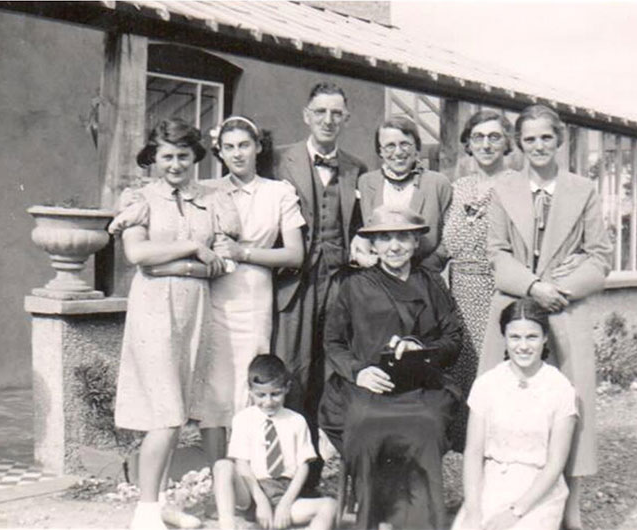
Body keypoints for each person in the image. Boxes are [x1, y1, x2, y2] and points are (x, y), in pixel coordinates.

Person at [481, 104, 612, 530]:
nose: (538, 146)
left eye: (546, 138)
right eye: (530, 139)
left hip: (565, 309)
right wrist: (534, 287)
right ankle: (504, 498)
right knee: (508, 402)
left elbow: (600, 258)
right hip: (515, 307)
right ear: (519, 144)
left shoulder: (583, 190)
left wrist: (560, 292)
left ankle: (570, 508)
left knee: (568, 404)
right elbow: (496, 253)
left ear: (560, 139)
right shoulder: (502, 189)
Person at [109, 118, 241, 530]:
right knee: (164, 416)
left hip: (195, 313)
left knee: (178, 412)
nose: (176, 164)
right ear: (154, 158)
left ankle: (161, 502)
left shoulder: (212, 199)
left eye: (183, 155)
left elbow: (224, 262)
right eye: (166, 156)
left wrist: (184, 265)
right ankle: (145, 512)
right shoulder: (139, 198)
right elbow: (138, 255)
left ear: (196, 157)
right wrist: (192, 249)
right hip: (153, 313)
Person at [319, 205, 465, 530]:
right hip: (369, 386)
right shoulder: (355, 286)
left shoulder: (432, 284)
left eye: (402, 237)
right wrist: (359, 372)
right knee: (365, 424)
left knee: (426, 425)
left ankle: (421, 520)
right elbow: (334, 342)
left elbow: (453, 336)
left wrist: (424, 350)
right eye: (385, 238)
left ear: (415, 242)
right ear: (374, 245)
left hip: (422, 385)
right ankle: (372, 517)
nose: (394, 246)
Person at [271, 82, 368, 477]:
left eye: (336, 113)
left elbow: (360, 226)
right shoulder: (278, 160)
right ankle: (289, 473)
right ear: (306, 115)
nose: (328, 120)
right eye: (321, 112)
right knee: (293, 370)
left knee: (333, 372)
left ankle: (327, 469)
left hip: (339, 283)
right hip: (293, 283)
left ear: (346, 118)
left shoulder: (355, 168)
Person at [197, 116, 306, 452]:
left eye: (244, 145)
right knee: (214, 389)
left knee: (252, 383)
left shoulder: (278, 193)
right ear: (220, 152)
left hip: (255, 298)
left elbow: (294, 255)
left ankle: (249, 472)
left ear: (258, 147)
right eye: (228, 147)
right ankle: (219, 474)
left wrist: (243, 252)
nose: (237, 154)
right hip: (214, 295)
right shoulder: (207, 191)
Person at [452, 299, 578, 530]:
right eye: (515, 337)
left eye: (531, 337)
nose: (523, 346)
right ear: (505, 338)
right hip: (493, 482)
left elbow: (556, 463)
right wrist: (473, 510)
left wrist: (515, 512)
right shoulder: (486, 384)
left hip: (539, 491)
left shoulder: (560, 388)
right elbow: (473, 452)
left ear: (545, 338)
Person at [439, 110, 519, 451]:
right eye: (478, 138)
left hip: (500, 294)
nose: (486, 144)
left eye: (494, 137)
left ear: (507, 143)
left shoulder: (519, 187)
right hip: (458, 296)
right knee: (463, 383)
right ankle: (472, 471)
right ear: (468, 145)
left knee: (499, 382)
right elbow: (443, 247)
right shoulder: (457, 188)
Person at [213, 355, 338, 530]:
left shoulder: (296, 421)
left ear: (287, 388)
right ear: (250, 390)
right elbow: (241, 463)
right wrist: (261, 501)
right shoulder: (243, 419)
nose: (268, 401)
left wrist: (286, 503)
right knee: (222, 466)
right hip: (251, 492)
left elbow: (303, 466)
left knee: (330, 506)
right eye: (261, 395)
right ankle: (227, 526)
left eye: (275, 394)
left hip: (284, 492)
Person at [352, 116, 453, 275]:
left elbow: (451, 237)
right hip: (378, 275)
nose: (398, 152)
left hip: (425, 275)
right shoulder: (365, 183)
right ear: (380, 151)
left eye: (405, 144)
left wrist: (427, 270)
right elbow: (360, 228)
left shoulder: (439, 184)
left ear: (417, 148)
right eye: (390, 146)